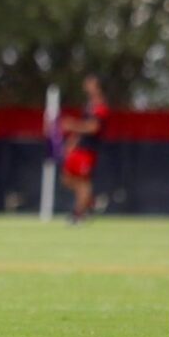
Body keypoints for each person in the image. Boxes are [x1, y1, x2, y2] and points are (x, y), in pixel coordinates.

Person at [60, 74, 109, 224]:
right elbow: (82, 125)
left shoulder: (101, 107)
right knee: (67, 178)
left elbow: (93, 127)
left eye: (90, 84)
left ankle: (78, 214)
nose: (87, 86)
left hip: (89, 149)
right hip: (80, 148)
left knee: (83, 182)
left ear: (97, 87)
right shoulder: (89, 105)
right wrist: (71, 142)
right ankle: (91, 202)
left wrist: (72, 125)